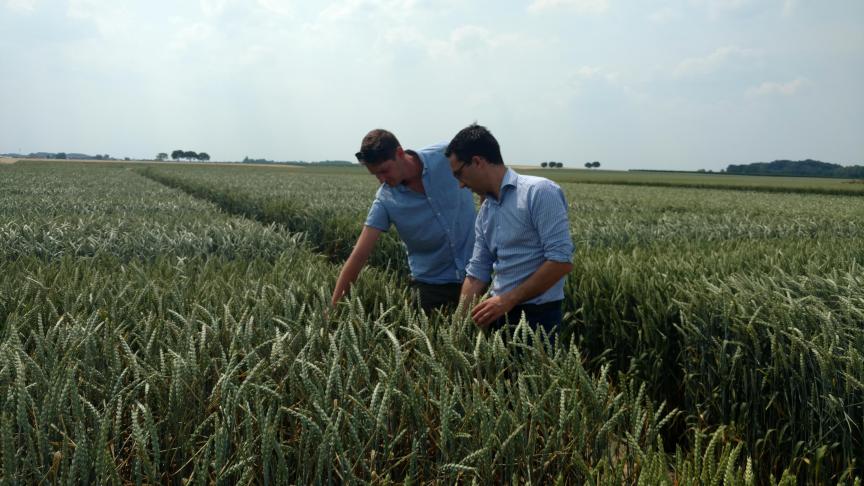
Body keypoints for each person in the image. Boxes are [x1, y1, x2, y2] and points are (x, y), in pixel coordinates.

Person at [446, 124, 573, 342]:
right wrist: (456, 329)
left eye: (460, 174)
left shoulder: (539, 192)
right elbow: (477, 272)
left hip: (539, 317)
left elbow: (561, 261)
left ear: (477, 162)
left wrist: (508, 300)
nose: (460, 184)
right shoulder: (486, 211)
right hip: (499, 314)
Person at [331, 129, 476, 312]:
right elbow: (359, 255)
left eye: (384, 171)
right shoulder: (385, 200)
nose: (382, 180)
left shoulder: (446, 154)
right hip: (430, 288)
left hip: (477, 277)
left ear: (400, 153)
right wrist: (332, 309)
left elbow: (485, 171)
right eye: (376, 175)